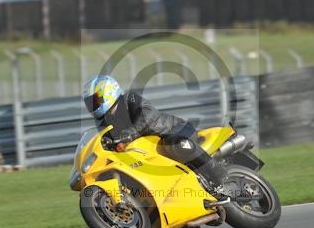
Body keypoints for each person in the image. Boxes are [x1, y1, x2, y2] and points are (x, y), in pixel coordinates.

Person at [82, 75, 228, 197]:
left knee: (174, 144)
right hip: (149, 148)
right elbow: (106, 139)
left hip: (174, 130)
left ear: (109, 91)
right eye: (90, 103)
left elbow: (148, 116)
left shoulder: (129, 99)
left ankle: (218, 174)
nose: (93, 105)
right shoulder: (103, 121)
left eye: (95, 100)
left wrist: (129, 135)